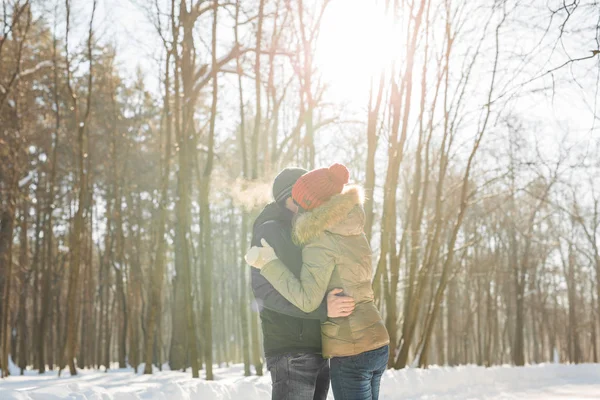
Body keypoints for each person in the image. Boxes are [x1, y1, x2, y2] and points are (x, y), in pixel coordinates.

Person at [247, 164, 390, 400]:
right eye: (299, 201)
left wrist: (324, 310)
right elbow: (264, 292)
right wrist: (324, 309)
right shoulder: (272, 230)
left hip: (330, 344)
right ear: (286, 199)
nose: (305, 208)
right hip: (294, 348)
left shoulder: (322, 232)